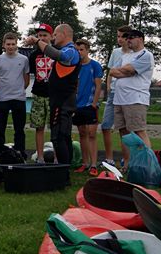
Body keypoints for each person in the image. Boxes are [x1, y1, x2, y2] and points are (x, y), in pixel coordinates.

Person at [27, 24, 81, 165]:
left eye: (55, 34)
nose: (54, 37)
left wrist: (38, 41)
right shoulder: (66, 49)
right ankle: (65, 169)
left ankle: (62, 170)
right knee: (62, 136)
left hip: (63, 102)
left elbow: (58, 55)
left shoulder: (71, 51)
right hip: (58, 100)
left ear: (64, 34)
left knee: (59, 137)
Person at [110, 29, 155, 170]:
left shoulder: (146, 55)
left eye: (131, 37)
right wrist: (127, 72)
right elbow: (113, 72)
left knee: (139, 131)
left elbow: (128, 70)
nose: (128, 40)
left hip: (136, 98)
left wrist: (126, 71)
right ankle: (127, 163)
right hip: (119, 99)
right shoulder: (126, 56)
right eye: (126, 38)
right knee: (124, 133)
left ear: (140, 39)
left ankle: (147, 165)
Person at [0, 32, 30, 161]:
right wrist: (3, 90)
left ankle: (20, 153)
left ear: (16, 45)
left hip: (19, 98)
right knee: (0, 128)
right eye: (8, 44)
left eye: (13, 44)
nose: (11, 47)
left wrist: (18, 90)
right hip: (2, 99)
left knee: (19, 129)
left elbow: (27, 80)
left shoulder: (24, 59)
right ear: (3, 45)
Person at [101, 25, 132, 168]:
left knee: (124, 129)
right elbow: (110, 71)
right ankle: (109, 159)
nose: (119, 39)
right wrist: (108, 88)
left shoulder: (134, 54)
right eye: (118, 36)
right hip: (113, 93)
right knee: (106, 125)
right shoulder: (115, 52)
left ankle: (126, 160)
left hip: (126, 93)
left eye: (122, 36)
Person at [73, 39, 104, 175]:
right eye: (77, 50)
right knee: (82, 133)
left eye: (82, 49)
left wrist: (94, 104)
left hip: (90, 105)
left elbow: (98, 86)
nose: (79, 52)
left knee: (92, 134)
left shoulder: (95, 66)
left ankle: (93, 164)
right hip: (78, 105)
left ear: (87, 50)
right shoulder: (75, 66)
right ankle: (84, 163)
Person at [26, 23, 54, 163]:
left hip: (53, 95)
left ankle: (56, 157)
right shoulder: (33, 55)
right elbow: (31, 74)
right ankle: (40, 157)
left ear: (51, 36)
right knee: (39, 127)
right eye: (39, 35)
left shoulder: (56, 52)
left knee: (55, 127)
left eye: (45, 35)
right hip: (38, 93)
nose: (42, 38)